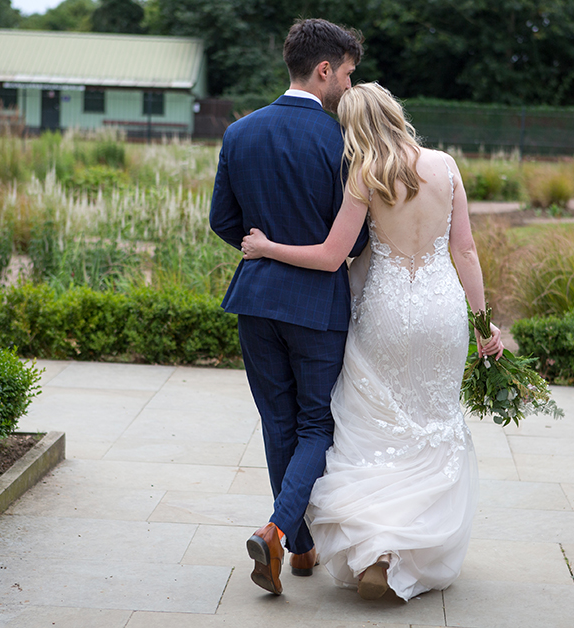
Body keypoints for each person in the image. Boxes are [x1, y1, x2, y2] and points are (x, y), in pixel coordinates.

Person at [240, 82, 504, 602]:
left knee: (371, 424)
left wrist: (267, 245)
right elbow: (466, 251)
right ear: (395, 112)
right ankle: (408, 551)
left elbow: (332, 255)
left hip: (384, 312)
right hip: (440, 310)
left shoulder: (364, 175)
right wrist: (482, 323)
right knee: (430, 421)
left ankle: (377, 552)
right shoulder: (445, 165)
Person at [209, 19, 368, 597]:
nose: (350, 88)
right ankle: (277, 531)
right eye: (348, 75)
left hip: (254, 299)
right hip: (317, 308)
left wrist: (266, 253)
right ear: (324, 69)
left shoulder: (240, 132)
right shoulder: (342, 142)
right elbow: (352, 243)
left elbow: (222, 221)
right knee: (315, 424)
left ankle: (299, 551)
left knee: (278, 424)